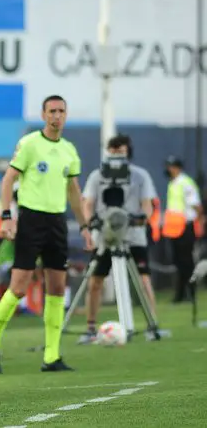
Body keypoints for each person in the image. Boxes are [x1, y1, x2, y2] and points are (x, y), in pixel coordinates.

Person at [0, 95, 93, 374]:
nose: (57, 116)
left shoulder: (69, 150)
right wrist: (7, 216)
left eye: (61, 111)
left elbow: (74, 193)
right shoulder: (30, 144)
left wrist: (85, 227)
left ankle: (52, 356)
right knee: (19, 286)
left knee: (56, 287)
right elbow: (8, 180)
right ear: (44, 115)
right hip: (31, 220)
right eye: (52, 111)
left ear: (66, 115)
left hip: (57, 221)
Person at [79, 135, 160, 343]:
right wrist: (91, 222)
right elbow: (87, 203)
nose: (116, 156)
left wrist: (142, 218)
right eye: (113, 152)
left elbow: (147, 204)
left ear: (128, 152)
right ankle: (90, 327)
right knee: (95, 280)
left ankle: (152, 325)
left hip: (133, 237)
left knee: (143, 280)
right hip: (105, 237)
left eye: (120, 152)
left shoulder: (140, 176)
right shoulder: (97, 176)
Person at [162, 156, 203, 303]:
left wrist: (200, 225)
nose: (168, 169)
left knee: (186, 262)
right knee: (178, 262)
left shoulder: (186, 183)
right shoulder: (173, 183)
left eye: (171, 166)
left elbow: (197, 207)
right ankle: (180, 294)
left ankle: (190, 293)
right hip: (174, 229)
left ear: (178, 168)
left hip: (185, 228)